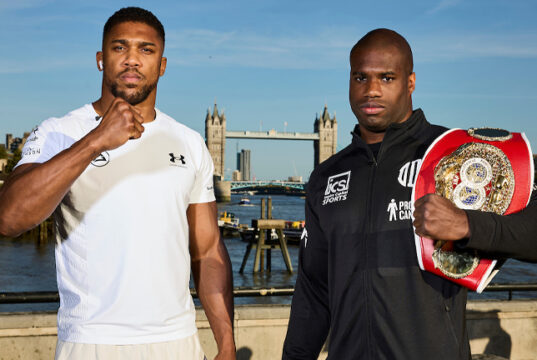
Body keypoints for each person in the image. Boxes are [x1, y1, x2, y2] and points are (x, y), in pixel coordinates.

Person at [282, 28, 537, 359]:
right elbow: (313, 293)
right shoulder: (325, 177)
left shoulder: (456, 155)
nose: (371, 90)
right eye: (360, 77)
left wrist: (468, 225)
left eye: (387, 78)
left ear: (410, 82)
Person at [0, 7, 235, 360]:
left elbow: (207, 251)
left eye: (146, 50)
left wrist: (227, 343)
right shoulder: (59, 132)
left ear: (162, 65)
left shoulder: (189, 143)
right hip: (91, 343)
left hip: (178, 342)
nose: (132, 60)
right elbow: (10, 217)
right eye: (119, 48)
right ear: (100, 59)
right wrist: (96, 140)